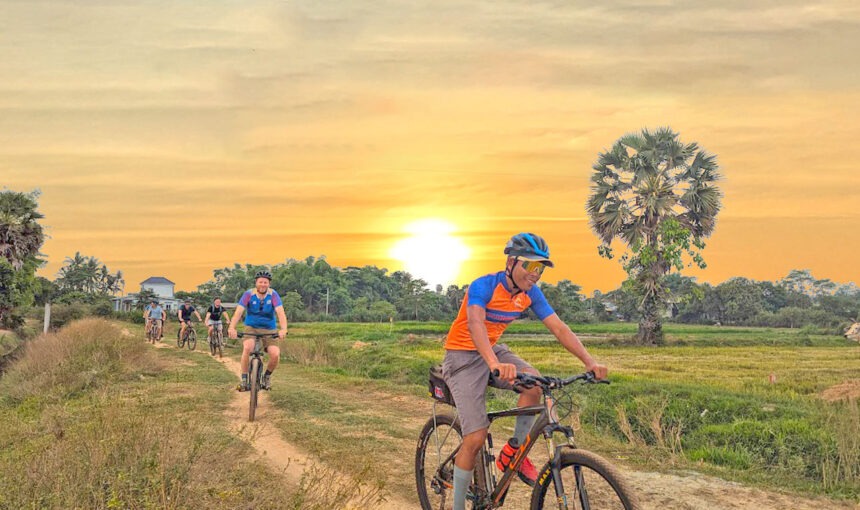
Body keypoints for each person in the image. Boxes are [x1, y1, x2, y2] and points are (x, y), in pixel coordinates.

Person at [443, 233, 608, 510]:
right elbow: (475, 324)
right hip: (462, 357)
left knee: (536, 384)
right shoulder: (483, 286)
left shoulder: (530, 293)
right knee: (475, 436)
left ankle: (513, 452)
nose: (535, 274)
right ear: (511, 262)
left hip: (494, 350)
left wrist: (589, 362)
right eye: (530, 266)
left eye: (540, 268)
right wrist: (493, 364)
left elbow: (559, 327)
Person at [228, 270, 288, 391]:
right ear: (256, 283)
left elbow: (280, 313)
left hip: (269, 329)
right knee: (247, 347)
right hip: (251, 327)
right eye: (260, 282)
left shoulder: (273, 295)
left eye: (265, 282)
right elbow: (238, 312)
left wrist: (283, 329)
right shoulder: (248, 294)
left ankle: (266, 377)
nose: (263, 284)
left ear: (269, 284)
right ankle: (244, 379)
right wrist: (232, 327)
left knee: (275, 354)